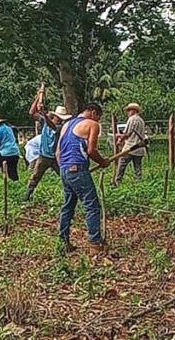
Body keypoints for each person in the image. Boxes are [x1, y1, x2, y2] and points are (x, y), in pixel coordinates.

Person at [56, 103, 110, 251]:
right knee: (92, 205)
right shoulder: (92, 124)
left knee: (68, 206)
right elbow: (91, 151)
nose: (98, 121)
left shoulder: (67, 125)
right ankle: (95, 242)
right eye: (99, 117)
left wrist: (66, 167)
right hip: (78, 169)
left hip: (65, 170)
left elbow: (58, 153)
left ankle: (63, 241)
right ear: (93, 113)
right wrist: (103, 162)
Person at [25, 92, 72, 200]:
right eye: (57, 118)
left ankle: (70, 195)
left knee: (64, 176)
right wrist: (37, 97)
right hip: (44, 155)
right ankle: (27, 196)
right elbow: (32, 112)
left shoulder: (60, 127)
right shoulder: (44, 121)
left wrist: (43, 113)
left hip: (56, 157)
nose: (59, 120)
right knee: (35, 176)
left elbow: (52, 126)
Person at [113, 103, 146, 186]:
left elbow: (127, 134)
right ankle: (138, 183)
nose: (128, 112)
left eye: (129, 110)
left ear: (133, 111)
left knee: (121, 165)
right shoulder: (141, 120)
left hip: (130, 147)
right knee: (137, 167)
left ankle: (117, 182)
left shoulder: (132, 119)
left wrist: (118, 136)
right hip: (140, 148)